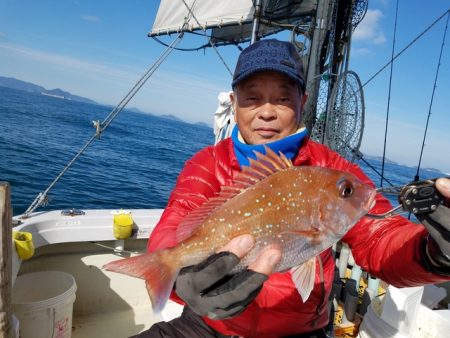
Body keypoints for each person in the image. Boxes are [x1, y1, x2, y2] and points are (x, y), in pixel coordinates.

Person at [139, 39, 450, 338]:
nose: (267, 112)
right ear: (233, 104)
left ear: (302, 103)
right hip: (209, 324)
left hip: (299, 332)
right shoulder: (207, 163)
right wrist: (179, 276)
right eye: (252, 98)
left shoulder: (333, 172)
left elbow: (380, 235)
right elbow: (178, 221)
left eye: (283, 98)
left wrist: (434, 252)